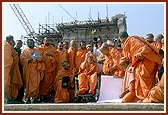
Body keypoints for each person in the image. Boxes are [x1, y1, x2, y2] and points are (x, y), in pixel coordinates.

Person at [118, 31, 162, 102]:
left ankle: (145, 96)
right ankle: (145, 96)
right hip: (147, 60)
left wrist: (141, 54)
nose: (121, 42)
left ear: (122, 38)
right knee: (144, 78)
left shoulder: (131, 40)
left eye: (120, 40)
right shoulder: (132, 40)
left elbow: (143, 49)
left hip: (147, 60)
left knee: (143, 78)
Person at [20, 39, 45, 103]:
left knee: (36, 84)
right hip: (29, 70)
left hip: (36, 70)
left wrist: (40, 59)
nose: (32, 44)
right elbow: (22, 61)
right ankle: (28, 98)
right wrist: (29, 60)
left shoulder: (36, 50)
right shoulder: (24, 51)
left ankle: (35, 98)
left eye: (33, 43)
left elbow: (41, 59)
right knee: (28, 85)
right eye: (30, 43)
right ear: (27, 43)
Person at [37, 37, 57, 102]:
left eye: (48, 40)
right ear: (43, 41)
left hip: (50, 69)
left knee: (49, 82)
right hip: (42, 68)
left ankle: (47, 96)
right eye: (46, 40)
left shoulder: (53, 49)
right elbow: (37, 56)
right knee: (41, 82)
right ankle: (41, 96)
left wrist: (51, 55)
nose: (47, 41)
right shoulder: (40, 48)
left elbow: (56, 57)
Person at [4, 35, 23, 104]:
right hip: (7, 69)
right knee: (6, 83)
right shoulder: (7, 46)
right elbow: (9, 59)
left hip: (11, 69)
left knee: (8, 82)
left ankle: (8, 98)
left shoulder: (9, 47)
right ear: (11, 41)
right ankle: (6, 98)